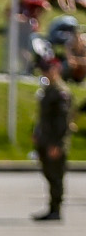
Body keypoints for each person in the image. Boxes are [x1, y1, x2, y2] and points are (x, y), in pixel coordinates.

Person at [33, 51, 74, 222]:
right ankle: (51, 207)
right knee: (49, 174)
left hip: (54, 141)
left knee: (56, 175)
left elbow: (62, 121)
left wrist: (57, 144)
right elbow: (43, 117)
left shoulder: (60, 92)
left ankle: (56, 209)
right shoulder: (48, 90)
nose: (45, 73)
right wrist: (37, 132)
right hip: (45, 138)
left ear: (56, 70)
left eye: (48, 70)